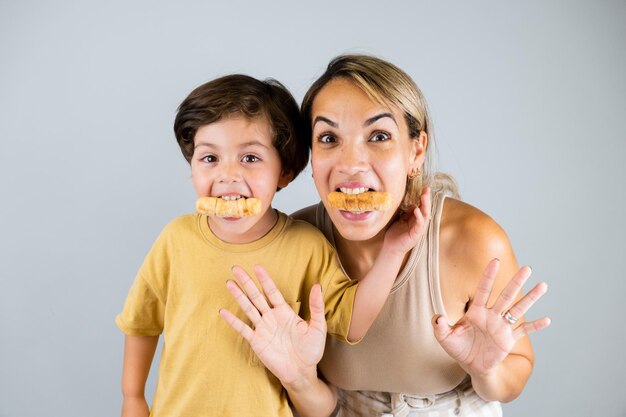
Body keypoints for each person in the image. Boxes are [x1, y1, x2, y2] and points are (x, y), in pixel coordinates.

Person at [222, 55, 551, 417]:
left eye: (379, 136)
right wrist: (299, 380)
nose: (350, 164)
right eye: (329, 138)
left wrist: (487, 370)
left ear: (416, 150)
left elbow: (514, 376)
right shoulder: (291, 245)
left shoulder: (473, 241)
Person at [115, 73, 430, 417]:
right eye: (209, 158)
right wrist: (133, 397)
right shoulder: (176, 240)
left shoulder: (306, 245)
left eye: (250, 158)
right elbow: (141, 323)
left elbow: (352, 321)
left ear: (285, 172)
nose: (228, 174)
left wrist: (394, 251)